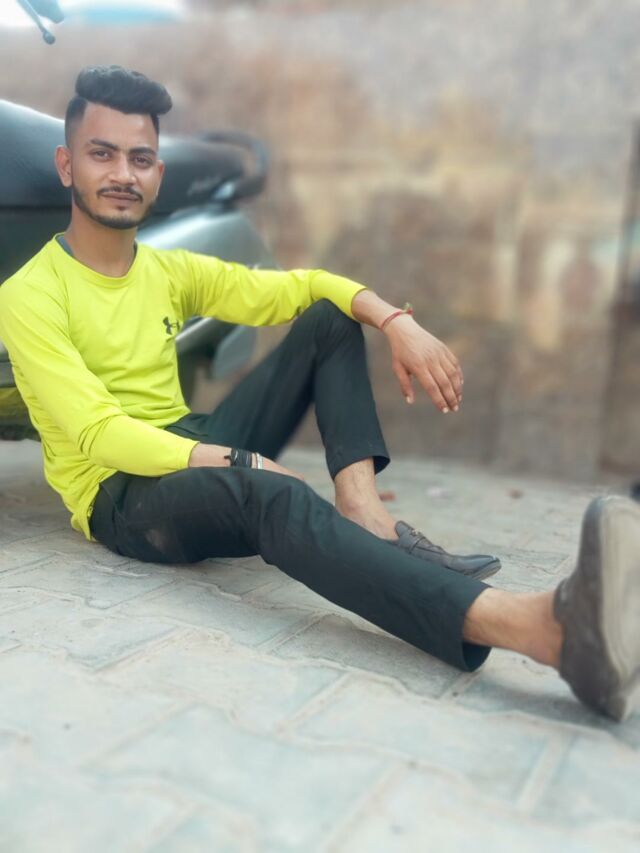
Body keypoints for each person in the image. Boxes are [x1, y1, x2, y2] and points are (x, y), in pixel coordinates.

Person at [1, 66, 638, 723]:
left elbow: (300, 287)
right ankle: (540, 630)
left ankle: (364, 515)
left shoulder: (167, 270)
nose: (122, 174)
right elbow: (97, 432)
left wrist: (395, 321)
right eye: (102, 154)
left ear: (158, 174)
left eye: (139, 158)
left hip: (187, 438)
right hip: (119, 492)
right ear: (66, 166)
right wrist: (241, 461)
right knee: (270, 494)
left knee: (330, 320)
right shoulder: (29, 294)